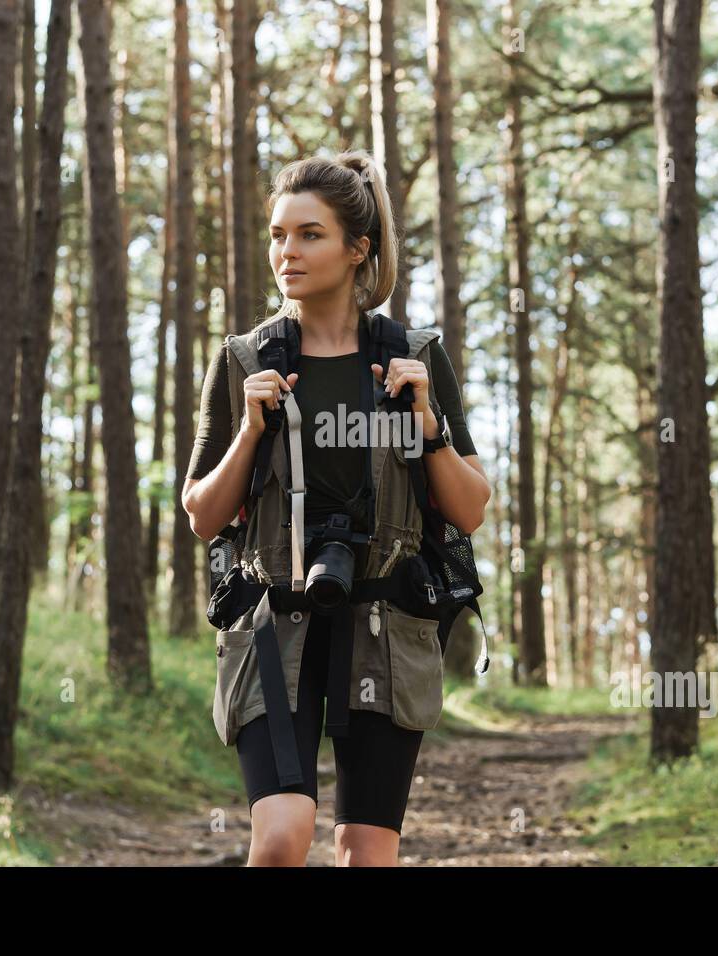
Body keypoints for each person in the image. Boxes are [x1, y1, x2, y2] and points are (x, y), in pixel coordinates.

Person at [182, 149, 491, 866]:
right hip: (272, 622)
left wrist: (429, 427)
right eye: (278, 235)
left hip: (387, 622)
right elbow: (202, 513)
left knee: (365, 852)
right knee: (283, 836)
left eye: (309, 234)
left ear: (359, 249)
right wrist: (250, 431)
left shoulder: (414, 356)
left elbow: (469, 510)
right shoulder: (242, 359)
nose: (287, 252)